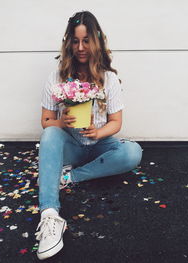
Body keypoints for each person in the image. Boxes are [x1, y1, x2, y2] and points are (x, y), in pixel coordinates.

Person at [35, 11, 143, 260]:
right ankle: (50, 214)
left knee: (132, 152)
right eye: (75, 41)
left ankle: (69, 176)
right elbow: (45, 121)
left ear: (96, 42)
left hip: (100, 145)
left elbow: (116, 123)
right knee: (51, 133)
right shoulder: (56, 77)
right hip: (70, 144)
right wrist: (62, 121)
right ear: (68, 43)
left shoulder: (109, 79)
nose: (81, 47)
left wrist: (98, 131)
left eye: (86, 41)